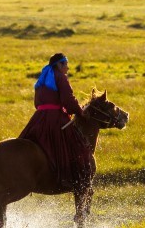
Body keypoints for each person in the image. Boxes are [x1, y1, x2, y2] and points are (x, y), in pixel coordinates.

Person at [18, 53, 92, 191]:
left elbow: (36, 103)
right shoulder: (60, 77)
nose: (68, 68)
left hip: (38, 118)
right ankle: (75, 180)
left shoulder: (41, 79)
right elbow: (68, 99)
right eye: (66, 64)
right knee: (76, 145)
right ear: (59, 64)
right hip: (55, 118)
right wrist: (79, 112)